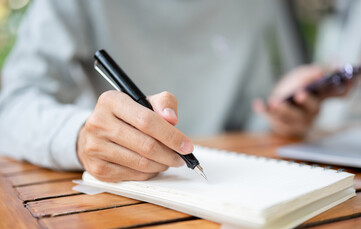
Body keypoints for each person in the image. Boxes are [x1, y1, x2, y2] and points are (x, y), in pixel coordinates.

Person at [0, 0, 334, 182]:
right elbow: (11, 105)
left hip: (242, 174)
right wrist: (80, 137)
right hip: (126, 193)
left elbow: (247, 113)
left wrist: (280, 113)